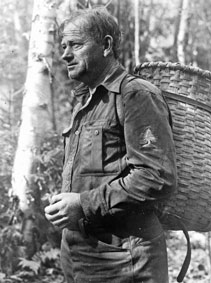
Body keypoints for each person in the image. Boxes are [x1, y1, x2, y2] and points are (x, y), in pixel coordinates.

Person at [45, 6, 177, 283]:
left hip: (125, 260)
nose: (65, 54)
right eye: (63, 46)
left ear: (106, 45)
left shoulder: (135, 95)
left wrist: (83, 204)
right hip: (80, 255)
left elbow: (156, 177)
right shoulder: (85, 102)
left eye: (76, 45)